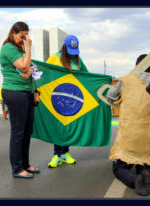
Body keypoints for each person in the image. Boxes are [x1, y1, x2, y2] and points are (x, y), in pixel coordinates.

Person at [109, 54, 150, 196]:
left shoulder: (126, 80)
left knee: (118, 168)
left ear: (136, 66)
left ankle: (134, 180)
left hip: (128, 138)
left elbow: (111, 97)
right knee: (145, 161)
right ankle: (146, 175)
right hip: (149, 139)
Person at [0, 21, 39, 179]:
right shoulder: (8, 47)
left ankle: (25, 164)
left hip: (26, 92)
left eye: (27, 37)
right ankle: (17, 168)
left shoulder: (19, 49)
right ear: (13, 33)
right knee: (18, 132)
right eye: (22, 36)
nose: (25, 39)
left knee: (27, 130)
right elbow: (23, 67)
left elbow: (33, 67)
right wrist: (29, 48)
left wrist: (30, 68)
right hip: (15, 92)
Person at [46, 34, 88, 168]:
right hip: (57, 97)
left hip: (73, 99)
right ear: (64, 47)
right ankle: (56, 155)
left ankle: (65, 153)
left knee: (68, 125)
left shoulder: (78, 60)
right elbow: (44, 73)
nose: (72, 55)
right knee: (59, 126)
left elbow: (87, 75)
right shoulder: (54, 57)